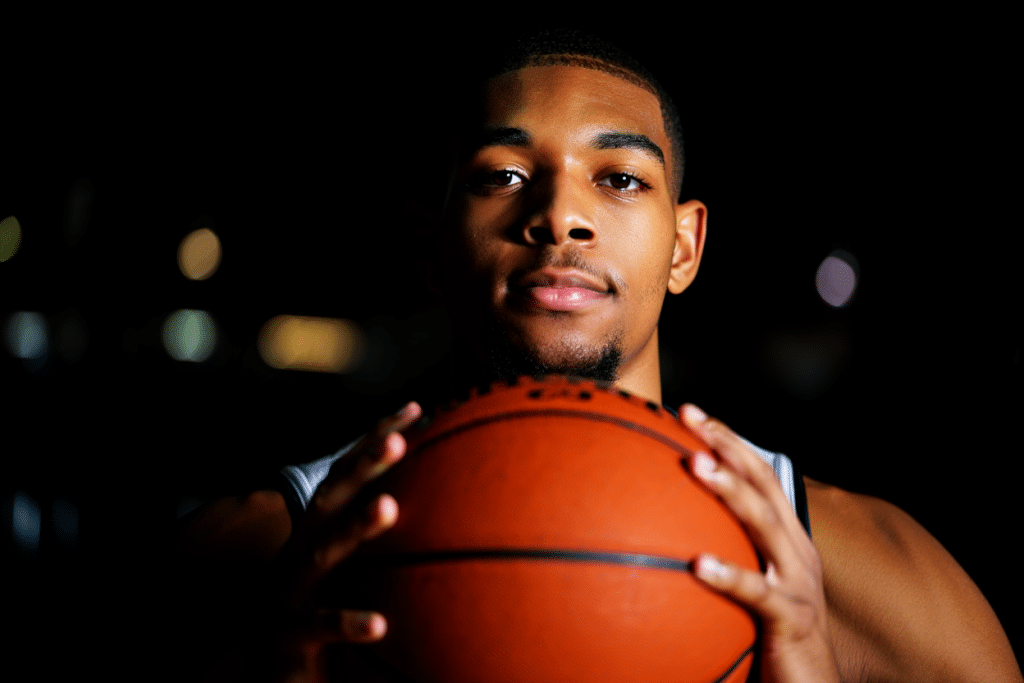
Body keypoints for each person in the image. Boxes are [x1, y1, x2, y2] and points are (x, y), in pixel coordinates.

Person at [176, 30, 1021, 682]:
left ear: (686, 246)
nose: (558, 214)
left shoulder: (846, 560)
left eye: (618, 177)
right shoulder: (256, 550)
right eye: (503, 175)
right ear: (430, 249)